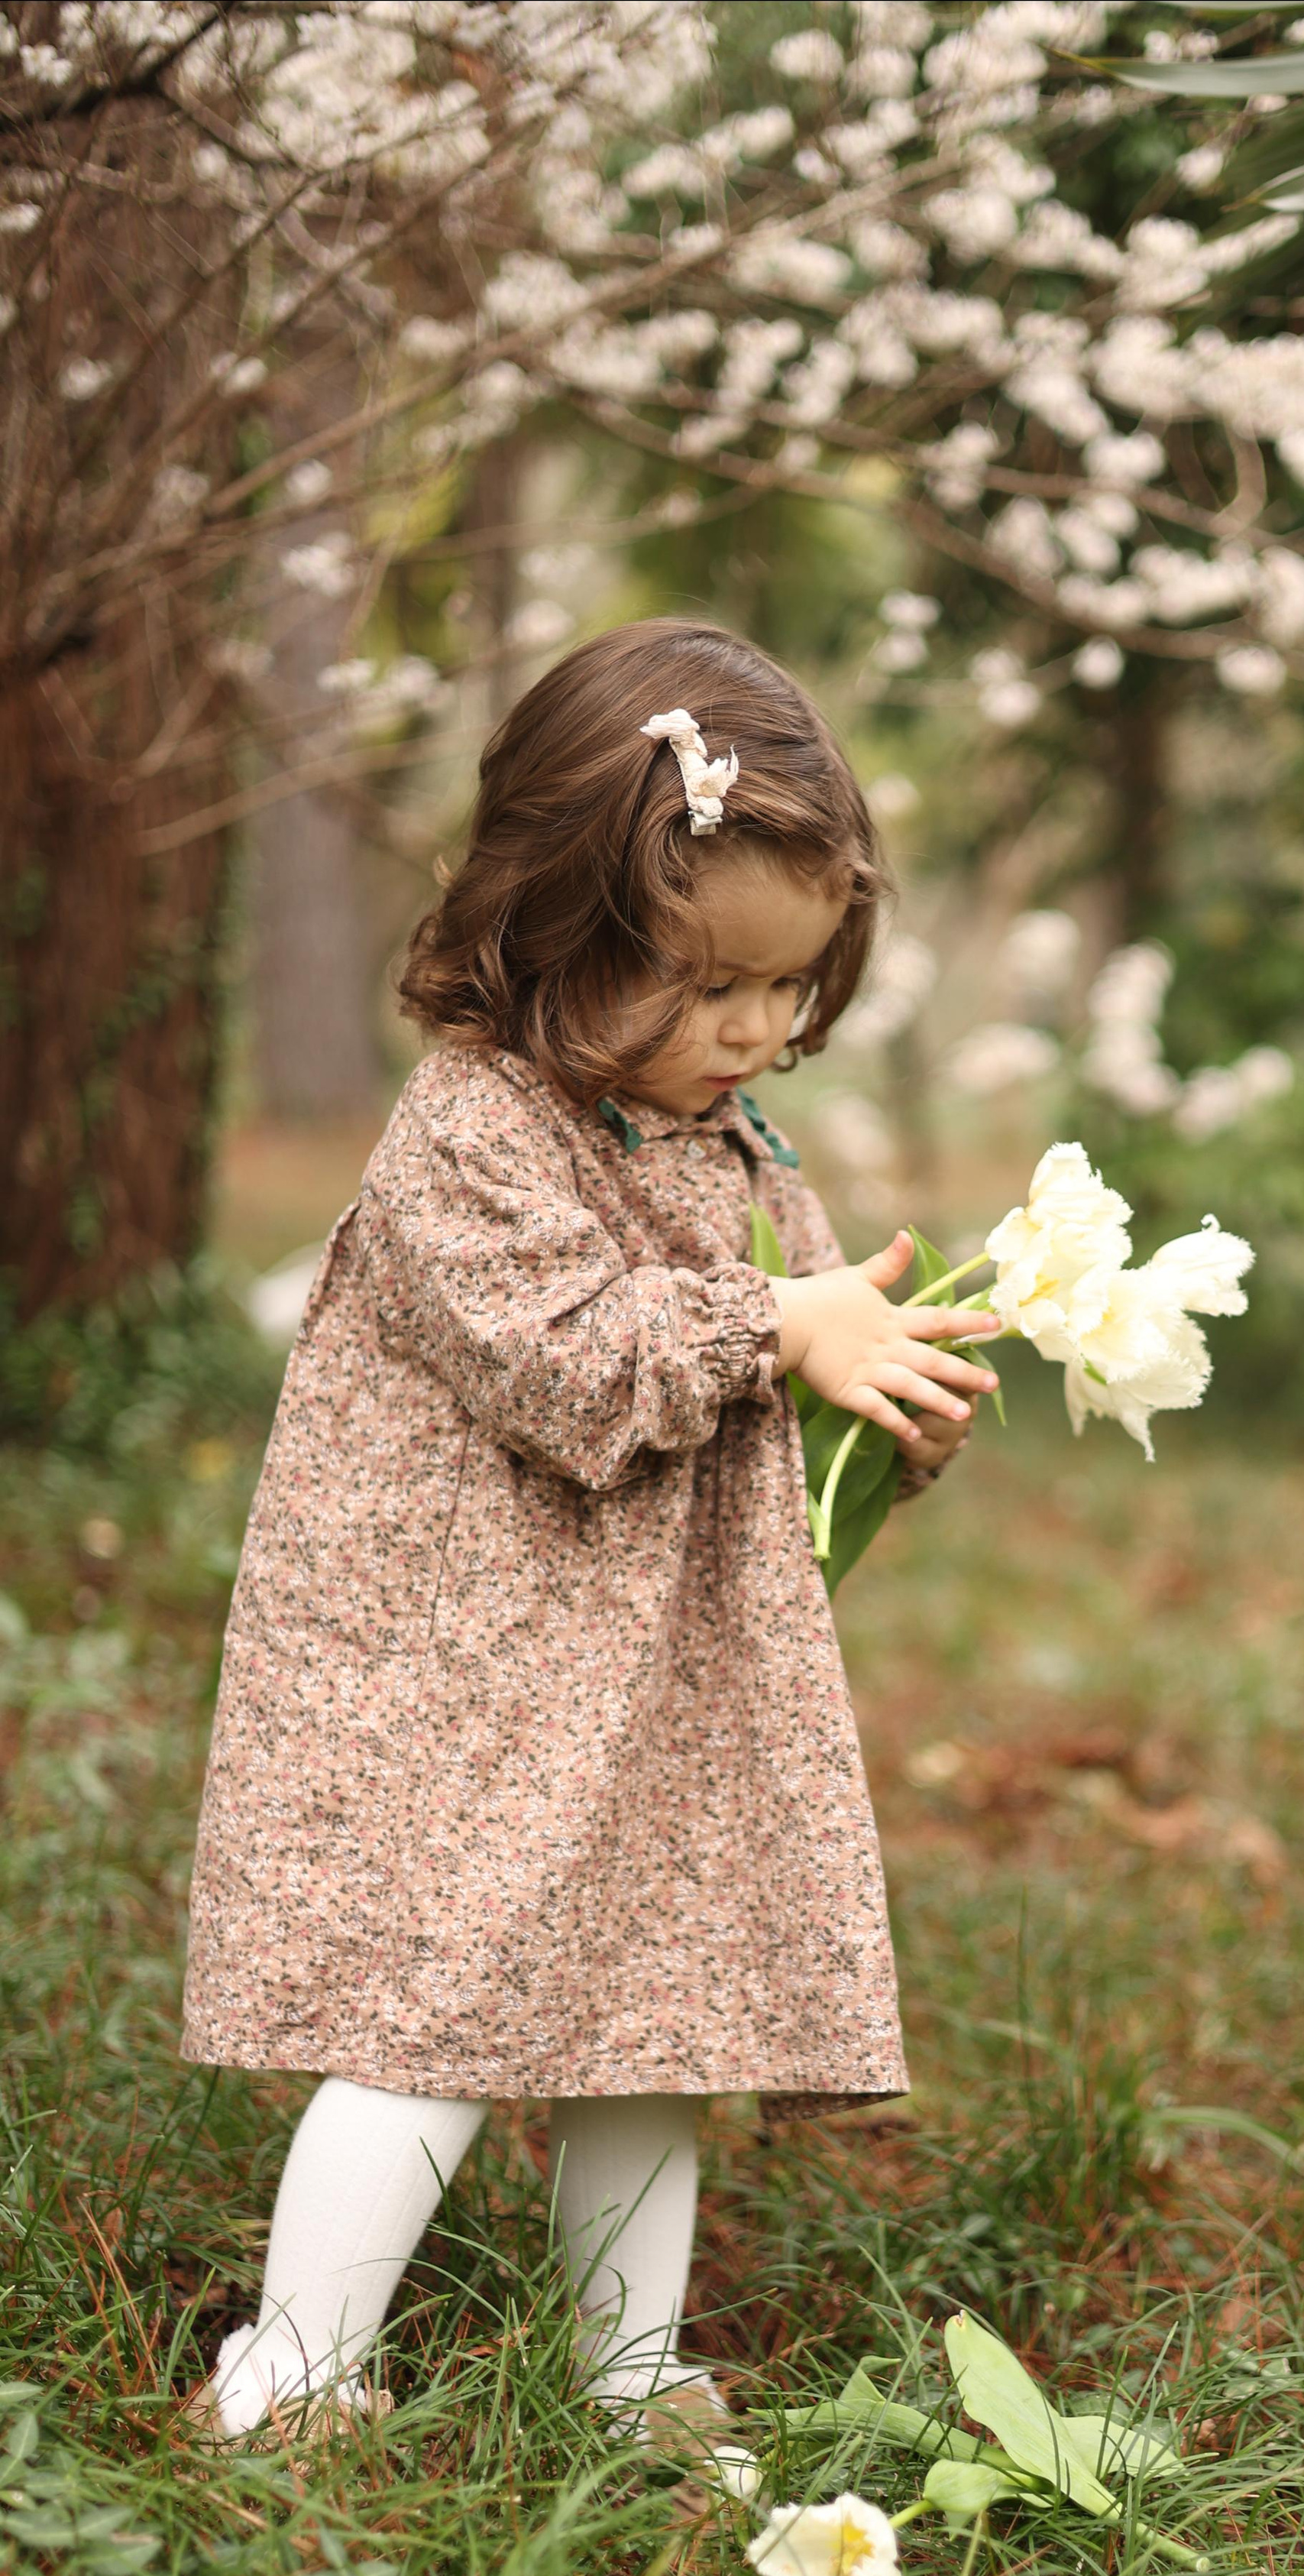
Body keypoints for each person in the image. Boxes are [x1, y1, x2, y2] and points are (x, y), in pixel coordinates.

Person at [180, 618, 1000, 2477]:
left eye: (788, 989)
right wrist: (775, 1329)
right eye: (705, 984)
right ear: (547, 928)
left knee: (660, 2009)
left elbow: (764, 1370)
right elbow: (568, 1367)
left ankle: (627, 2374)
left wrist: (871, 1394)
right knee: (436, 2009)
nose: (751, 1031)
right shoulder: (472, 1133)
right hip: (467, 1677)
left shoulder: (728, 1141)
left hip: (648, 1686)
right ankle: (290, 2373)